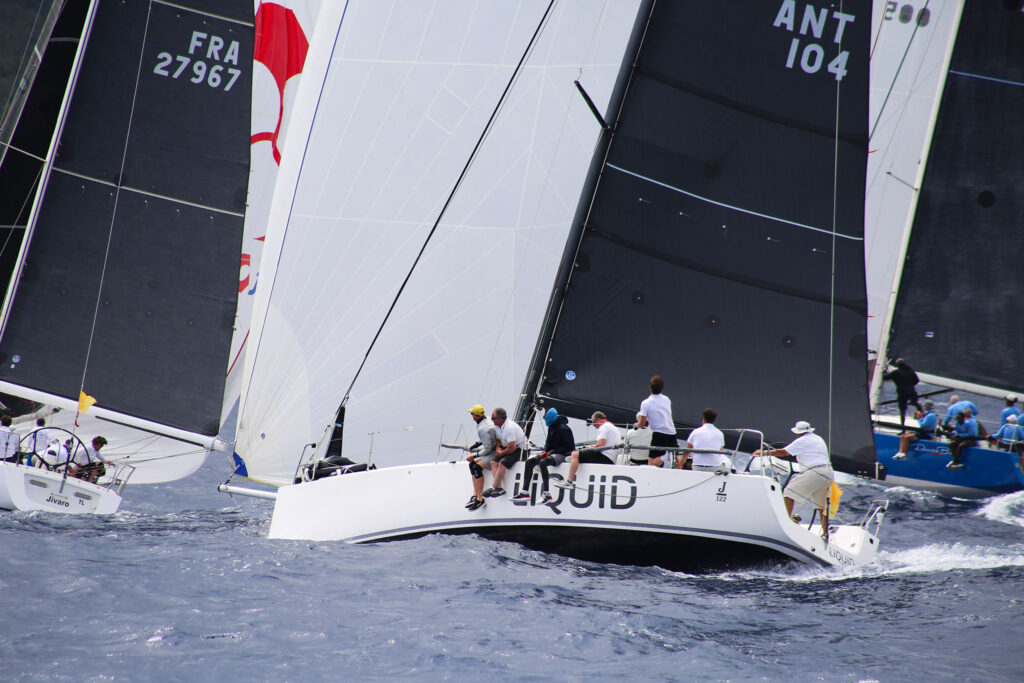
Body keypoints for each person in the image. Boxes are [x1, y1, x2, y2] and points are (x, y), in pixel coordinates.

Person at [753, 421, 833, 534]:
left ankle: (785, 523)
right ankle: (825, 533)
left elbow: (783, 453)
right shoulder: (818, 438)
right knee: (821, 506)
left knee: (788, 492)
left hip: (815, 472)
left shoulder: (802, 440)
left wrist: (763, 452)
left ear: (798, 433)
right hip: (828, 472)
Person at [514, 408, 574, 503]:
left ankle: (547, 494)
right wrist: (545, 451)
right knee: (530, 462)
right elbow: (548, 443)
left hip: (563, 454)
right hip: (552, 453)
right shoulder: (551, 427)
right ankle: (524, 492)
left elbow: (569, 447)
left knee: (543, 463)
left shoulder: (564, 429)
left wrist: (551, 452)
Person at [558, 411, 620, 488]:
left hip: (605, 457)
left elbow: (601, 445)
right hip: (611, 458)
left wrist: (589, 449)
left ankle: (569, 482)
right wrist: (589, 448)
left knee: (574, 454)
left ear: (598, 420)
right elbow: (603, 444)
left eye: (594, 423)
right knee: (580, 454)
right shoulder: (611, 426)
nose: (594, 426)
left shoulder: (603, 427)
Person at [484, 408, 524, 498]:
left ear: (500, 419)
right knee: (493, 462)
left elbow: (512, 447)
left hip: (519, 449)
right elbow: (499, 439)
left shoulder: (509, 428)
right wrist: (498, 448)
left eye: (493, 418)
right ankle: (499, 488)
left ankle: (492, 487)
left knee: (502, 463)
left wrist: (501, 453)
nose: (491, 420)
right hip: (507, 446)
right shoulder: (497, 425)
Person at [465, 404, 497, 511]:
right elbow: (485, 439)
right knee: (472, 464)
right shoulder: (484, 420)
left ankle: (480, 499)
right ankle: (475, 494)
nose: (471, 415)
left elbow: (488, 449)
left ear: (477, 416)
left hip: (494, 453)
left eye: (472, 414)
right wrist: (476, 444)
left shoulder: (484, 428)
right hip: (490, 449)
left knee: (476, 467)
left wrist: (474, 455)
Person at [638, 375, 675, 467]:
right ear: (662, 388)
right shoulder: (667, 399)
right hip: (672, 433)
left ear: (650, 387)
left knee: (651, 464)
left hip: (659, 435)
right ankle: (667, 455)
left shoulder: (645, 403)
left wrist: (636, 425)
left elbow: (642, 423)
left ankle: (666, 456)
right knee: (655, 464)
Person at [883, 358, 922, 428]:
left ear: (897, 365)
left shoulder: (896, 372)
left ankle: (902, 427)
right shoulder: (910, 371)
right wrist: (910, 385)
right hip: (911, 391)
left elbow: (885, 377)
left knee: (902, 410)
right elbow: (917, 380)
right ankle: (923, 413)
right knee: (915, 403)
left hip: (902, 392)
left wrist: (884, 371)